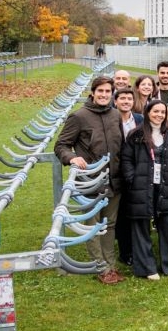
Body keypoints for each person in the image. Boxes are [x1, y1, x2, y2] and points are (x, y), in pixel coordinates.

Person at [54, 76, 125, 284]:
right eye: (100, 91)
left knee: (109, 225)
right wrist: (71, 158)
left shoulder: (114, 115)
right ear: (93, 92)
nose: (104, 95)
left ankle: (111, 265)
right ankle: (100, 267)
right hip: (90, 181)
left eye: (107, 91)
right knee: (93, 226)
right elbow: (61, 145)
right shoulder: (79, 116)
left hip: (114, 180)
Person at [119, 99, 168, 279]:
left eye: (163, 112)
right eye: (156, 111)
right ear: (148, 113)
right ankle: (147, 268)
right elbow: (126, 160)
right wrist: (132, 179)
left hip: (165, 187)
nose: (159, 115)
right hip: (141, 188)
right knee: (141, 226)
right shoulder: (136, 135)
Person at [113, 89, 143, 268]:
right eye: (122, 98)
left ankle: (138, 249)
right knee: (122, 215)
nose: (126, 101)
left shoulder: (140, 120)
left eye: (129, 98)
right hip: (117, 173)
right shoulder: (110, 120)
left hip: (138, 172)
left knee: (137, 213)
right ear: (115, 101)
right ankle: (126, 252)